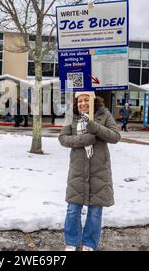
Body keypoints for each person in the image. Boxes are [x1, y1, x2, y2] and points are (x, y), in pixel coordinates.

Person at [58, 92, 120, 251]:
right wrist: (83, 140)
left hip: (99, 171)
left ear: (93, 100)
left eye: (86, 100)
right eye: (80, 100)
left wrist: (96, 128)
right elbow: (63, 138)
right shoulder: (71, 116)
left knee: (95, 211)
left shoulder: (104, 114)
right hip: (77, 170)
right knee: (73, 209)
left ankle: (88, 244)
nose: (83, 103)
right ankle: (71, 242)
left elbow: (115, 136)